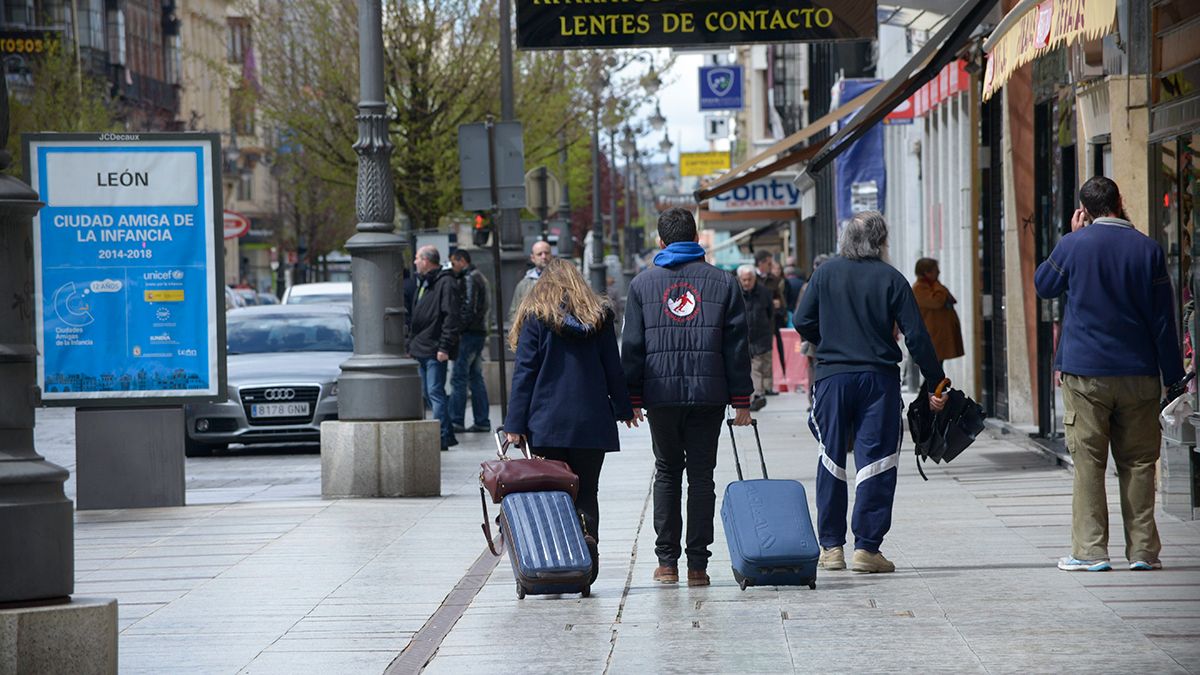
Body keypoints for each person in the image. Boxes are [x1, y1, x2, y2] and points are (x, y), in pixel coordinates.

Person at [1034, 176, 1184, 573]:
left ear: (1084, 210)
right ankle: (1142, 551)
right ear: (1119, 201)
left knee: (1088, 462)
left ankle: (1090, 551)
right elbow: (1163, 320)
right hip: (1138, 373)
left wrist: (1070, 236)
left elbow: (1044, 286)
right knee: (1138, 462)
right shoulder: (1148, 249)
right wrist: (1173, 376)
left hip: (1085, 375)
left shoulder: (1072, 246)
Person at [795, 211, 946, 574]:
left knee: (831, 457)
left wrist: (828, 340)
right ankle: (867, 548)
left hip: (832, 378)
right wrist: (935, 381)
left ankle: (831, 548)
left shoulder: (825, 273)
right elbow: (917, 336)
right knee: (877, 458)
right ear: (880, 243)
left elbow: (802, 320)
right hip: (877, 378)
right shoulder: (891, 279)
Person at [622, 207, 754, 587]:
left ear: (661, 242)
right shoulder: (724, 282)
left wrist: (631, 397)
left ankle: (667, 563)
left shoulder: (642, 285)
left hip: (660, 395)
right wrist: (741, 399)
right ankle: (698, 565)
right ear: (696, 239)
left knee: (666, 472)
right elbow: (736, 347)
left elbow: (632, 346)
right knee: (702, 476)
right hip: (708, 395)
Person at [505, 258, 635, 582]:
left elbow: (525, 374)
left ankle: (559, 562)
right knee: (587, 490)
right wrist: (625, 408)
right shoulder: (600, 317)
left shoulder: (536, 316)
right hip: (591, 421)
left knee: (555, 492)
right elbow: (612, 368)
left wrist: (514, 425)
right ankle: (588, 541)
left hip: (547, 424)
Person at [407, 245, 463, 451]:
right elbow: (416, 316)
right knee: (429, 393)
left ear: (426, 260)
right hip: (421, 346)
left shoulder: (445, 283)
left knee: (435, 392)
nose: (414, 262)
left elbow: (451, 317)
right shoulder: (426, 282)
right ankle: (446, 434)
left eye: (417, 258)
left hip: (434, 348)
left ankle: (440, 436)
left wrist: (444, 346)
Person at [448, 249, 491, 434]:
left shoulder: (470, 278)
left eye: (454, 262)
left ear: (462, 261)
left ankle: (456, 420)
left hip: (469, 334)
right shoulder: (479, 276)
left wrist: (458, 330)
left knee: (459, 377)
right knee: (475, 377)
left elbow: (469, 307)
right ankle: (482, 420)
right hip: (478, 332)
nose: (452, 266)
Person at [912, 258, 965, 366]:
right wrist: (938, 286)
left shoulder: (932, 285)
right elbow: (938, 301)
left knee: (938, 365)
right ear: (927, 273)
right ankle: (935, 384)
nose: (939, 272)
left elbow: (950, 298)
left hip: (939, 333)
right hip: (933, 335)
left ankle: (935, 383)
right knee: (935, 367)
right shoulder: (919, 288)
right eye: (936, 270)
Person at [737, 264, 774, 411]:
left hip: (760, 336)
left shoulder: (764, 292)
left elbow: (770, 313)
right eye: (744, 280)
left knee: (757, 367)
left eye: (749, 279)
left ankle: (757, 395)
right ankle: (754, 395)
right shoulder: (736, 291)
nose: (746, 283)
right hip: (742, 337)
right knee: (747, 368)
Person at [796, 254, 830, 410]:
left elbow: (800, 316)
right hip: (818, 335)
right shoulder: (809, 286)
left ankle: (817, 398)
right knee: (815, 367)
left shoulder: (809, 285)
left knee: (816, 367)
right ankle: (815, 398)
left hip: (816, 335)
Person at [753, 250, 785, 395]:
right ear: (761, 263)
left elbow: (781, 301)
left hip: (769, 322)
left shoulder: (774, 280)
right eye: (769, 263)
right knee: (755, 358)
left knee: (767, 355)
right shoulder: (750, 278)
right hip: (752, 322)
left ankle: (767, 386)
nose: (771, 266)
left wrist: (777, 304)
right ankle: (757, 388)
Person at [507, 240, 552, 325]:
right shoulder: (523, 284)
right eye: (539, 254)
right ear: (533, 258)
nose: (544, 256)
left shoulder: (560, 280)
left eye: (546, 253)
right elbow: (514, 312)